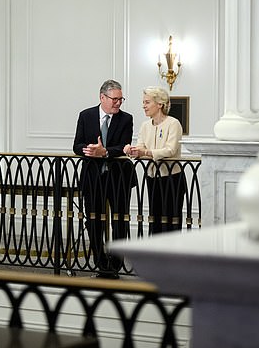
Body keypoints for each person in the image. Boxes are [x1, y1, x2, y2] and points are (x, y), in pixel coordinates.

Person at [73, 79, 134, 278]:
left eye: (120, 99)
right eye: (115, 99)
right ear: (102, 97)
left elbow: (124, 147)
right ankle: (101, 263)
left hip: (118, 179)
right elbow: (76, 145)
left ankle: (115, 265)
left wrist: (105, 152)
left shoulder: (126, 119)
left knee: (119, 222)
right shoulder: (86, 115)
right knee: (94, 221)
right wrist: (90, 150)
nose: (118, 103)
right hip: (92, 178)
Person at [124, 86, 187, 234]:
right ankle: (155, 254)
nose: (143, 106)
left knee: (171, 220)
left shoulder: (173, 123)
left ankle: (172, 255)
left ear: (159, 104)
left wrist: (145, 152)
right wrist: (132, 150)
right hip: (152, 178)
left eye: (147, 102)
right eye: (143, 102)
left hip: (172, 178)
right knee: (155, 219)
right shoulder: (145, 126)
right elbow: (141, 146)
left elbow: (170, 150)